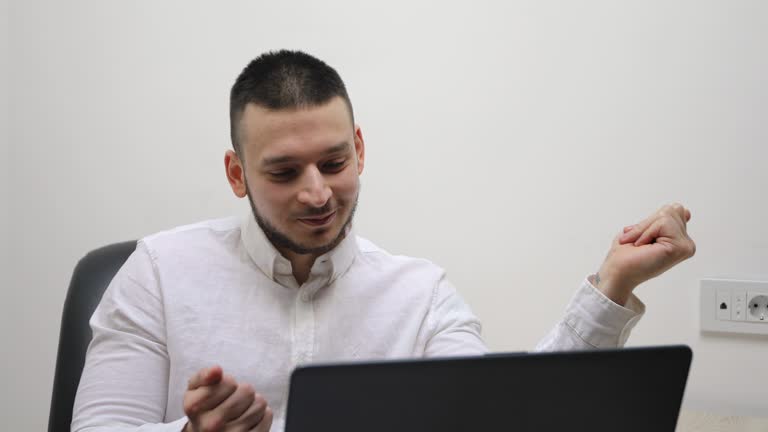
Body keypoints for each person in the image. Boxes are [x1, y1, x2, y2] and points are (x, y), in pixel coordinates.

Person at [71, 50, 696, 432]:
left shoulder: (420, 293)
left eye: (334, 163)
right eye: (285, 172)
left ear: (360, 150)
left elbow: (504, 417)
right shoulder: (156, 271)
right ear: (237, 175)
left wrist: (612, 285)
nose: (317, 194)